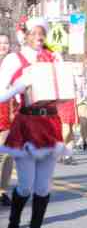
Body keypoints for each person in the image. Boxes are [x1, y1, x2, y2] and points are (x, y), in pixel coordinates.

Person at [0, 17, 70, 228]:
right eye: (34, 33)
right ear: (25, 35)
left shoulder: (52, 58)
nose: (39, 37)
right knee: (25, 185)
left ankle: (35, 225)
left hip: (50, 123)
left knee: (43, 187)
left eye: (42, 34)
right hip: (27, 123)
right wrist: (20, 85)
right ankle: (13, 223)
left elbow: (62, 91)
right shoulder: (14, 59)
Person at [0, 33, 13, 206]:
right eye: (0, 42)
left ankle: (3, 190)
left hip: (9, 112)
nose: (3, 45)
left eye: (6, 43)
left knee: (7, 153)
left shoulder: (14, 66)